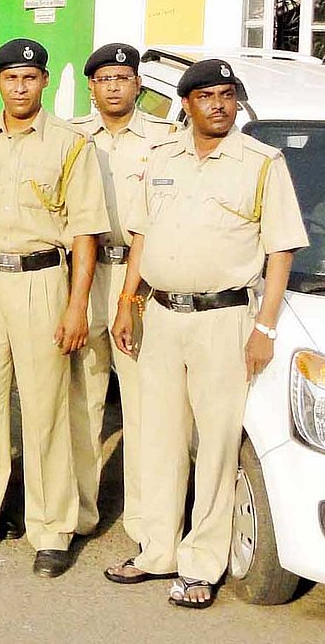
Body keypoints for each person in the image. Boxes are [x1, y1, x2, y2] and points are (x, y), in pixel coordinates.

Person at [105, 59, 306, 609]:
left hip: (225, 321)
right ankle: (156, 551)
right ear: (187, 104)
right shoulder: (161, 157)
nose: (218, 105)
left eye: (227, 95)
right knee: (160, 437)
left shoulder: (263, 163)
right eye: (206, 96)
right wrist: (128, 302)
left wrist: (264, 325)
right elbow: (142, 238)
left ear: (236, 103)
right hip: (162, 317)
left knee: (216, 445)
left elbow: (280, 250)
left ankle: (200, 564)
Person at [0, 38, 107, 578]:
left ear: (45, 82)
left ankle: (50, 527)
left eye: (30, 77)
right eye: (10, 78)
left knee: (46, 408)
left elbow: (84, 233)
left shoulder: (71, 145)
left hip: (43, 280)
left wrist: (77, 305)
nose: (20, 87)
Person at [68, 43, 174, 544]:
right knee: (83, 399)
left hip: (140, 281)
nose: (113, 86)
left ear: (137, 85)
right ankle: (81, 511)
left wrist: (133, 298)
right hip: (84, 277)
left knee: (142, 404)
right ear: (92, 87)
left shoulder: (163, 139)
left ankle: (145, 520)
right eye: (104, 78)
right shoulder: (71, 137)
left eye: (123, 78)